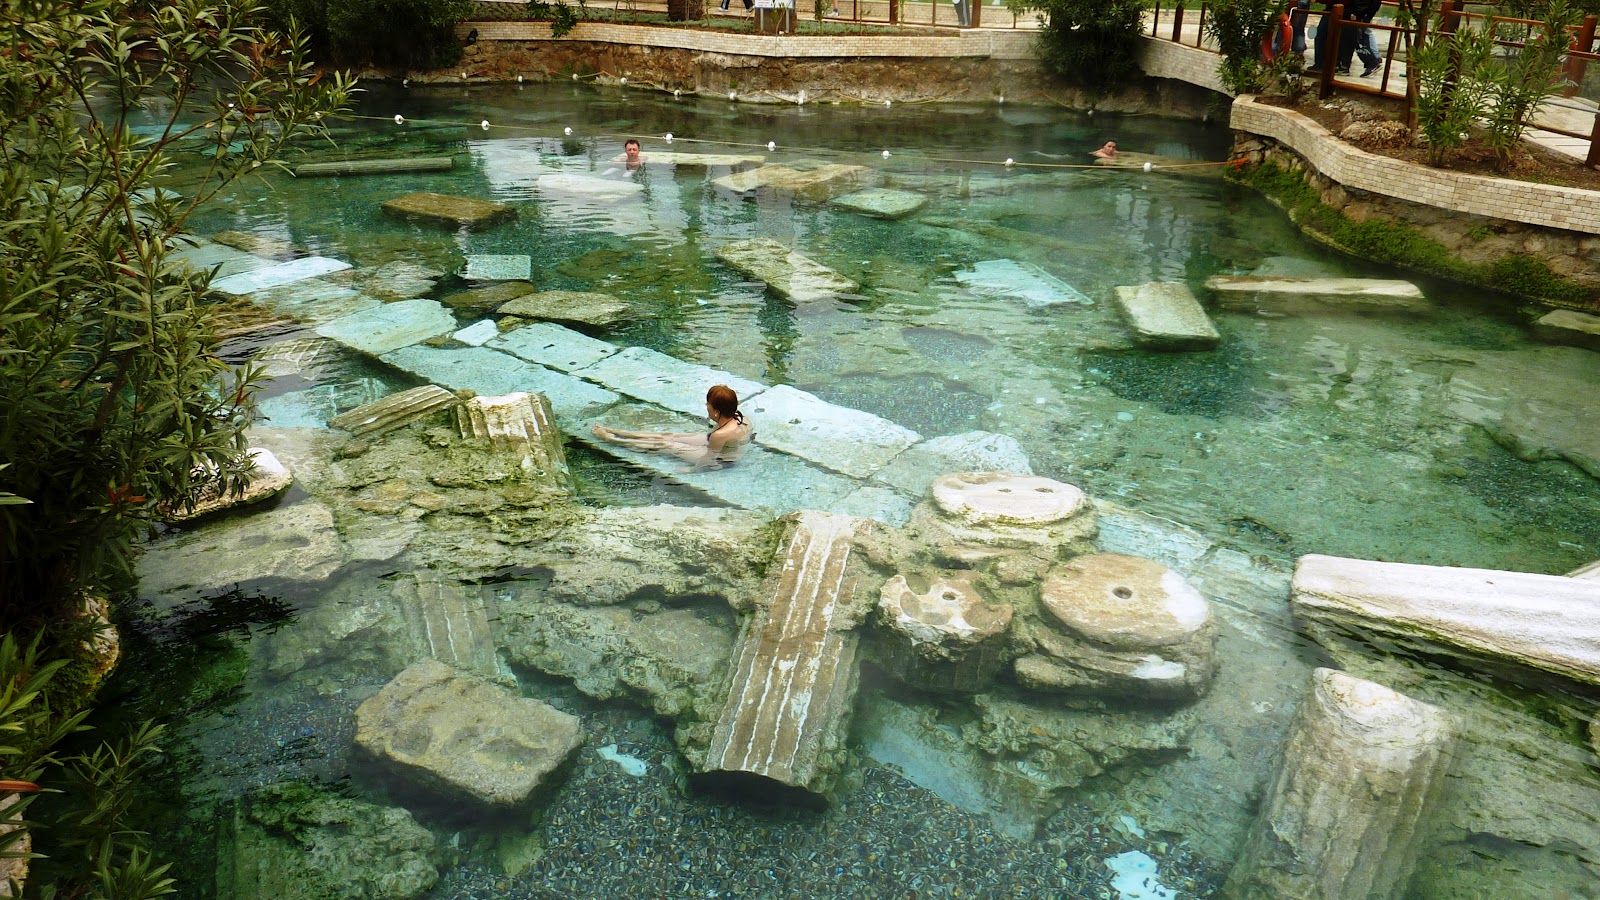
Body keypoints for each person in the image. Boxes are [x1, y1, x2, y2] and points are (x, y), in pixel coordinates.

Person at [591, 385, 754, 469]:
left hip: (720, 460)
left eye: (708, 404)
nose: (706, 405)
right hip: (720, 446)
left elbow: (708, 460)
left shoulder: (721, 435)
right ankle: (618, 431)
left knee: (665, 444)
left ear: (717, 411)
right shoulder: (741, 418)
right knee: (669, 435)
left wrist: (691, 471)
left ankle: (610, 438)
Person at [1335, 0, 1382, 77]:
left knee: (1358, 40)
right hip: (1360, 14)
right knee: (1356, 39)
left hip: (1358, 15)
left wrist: (1356, 13)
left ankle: (1372, 63)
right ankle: (1371, 62)